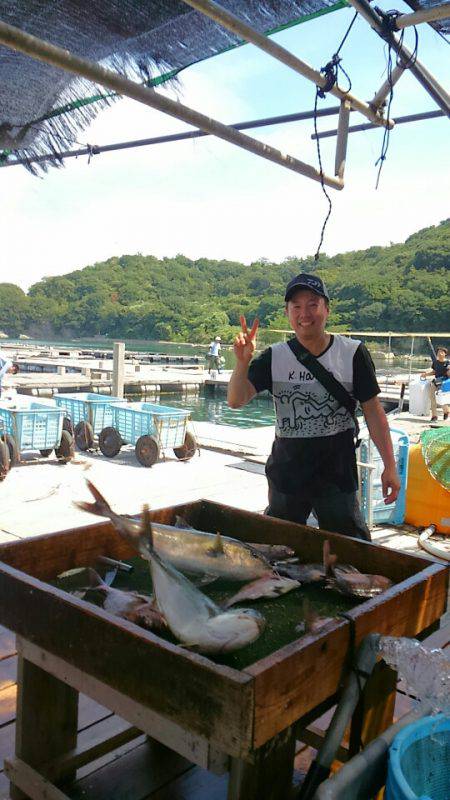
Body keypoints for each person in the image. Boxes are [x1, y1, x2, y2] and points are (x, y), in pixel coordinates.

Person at [228, 273, 400, 541]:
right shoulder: (275, 356)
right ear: (287, 312)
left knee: (349, 547)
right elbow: (236, 400)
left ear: (327, 309)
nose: (304, 313)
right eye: (296, 306)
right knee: (279, 545)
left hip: (337, 473)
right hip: (287, 473)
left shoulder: (352, 353)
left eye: (312, 304)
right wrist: (242, 363)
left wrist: (389, 465)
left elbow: (373, 412)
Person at [420, 346, 450, 422]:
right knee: (432, 398)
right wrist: (426, 374)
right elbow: (434, 372)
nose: (440, 353)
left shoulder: (448, 363)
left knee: (442, 399)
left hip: (444, 383)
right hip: (436, 382)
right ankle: (434, 416)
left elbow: (449, 374)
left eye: (442, 352)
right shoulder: (435, 362)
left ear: (445, 354)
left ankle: (446, 411)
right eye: (438, 352)